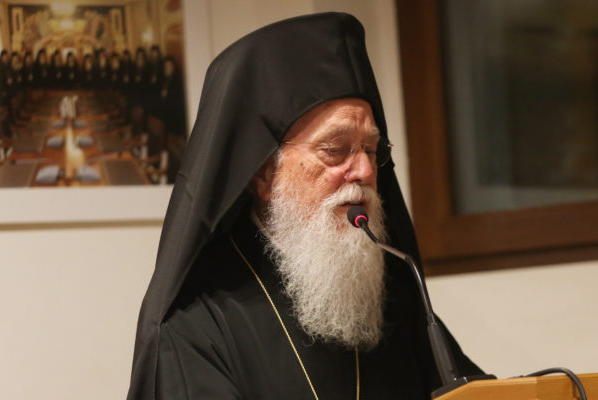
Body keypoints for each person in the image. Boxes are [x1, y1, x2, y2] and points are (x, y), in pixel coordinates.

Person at [127, 13, 483, 400]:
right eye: (336, 150)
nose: (365, 171)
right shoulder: (195, 327)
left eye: (370, 150)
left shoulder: (397, 300)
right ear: (263, 174)